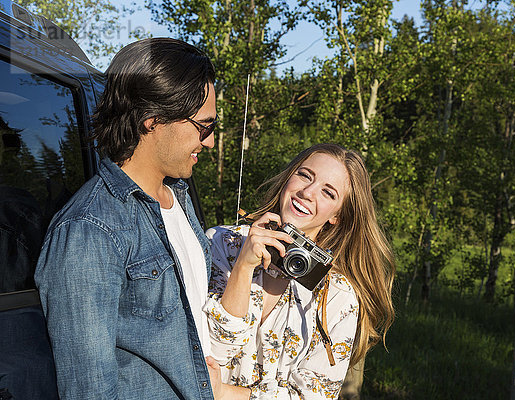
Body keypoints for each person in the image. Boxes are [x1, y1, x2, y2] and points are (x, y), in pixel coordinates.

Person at [35, 38, 218, 399]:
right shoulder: (89, 231)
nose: (209, 142)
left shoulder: (178, 198)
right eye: (204, 127)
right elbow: (90, 390)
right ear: (154, 120)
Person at [204, 143, 396, 399]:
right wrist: (243, 267)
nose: (307, 192)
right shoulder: (223, 242)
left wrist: (223, 393)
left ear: (337, 216)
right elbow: (212, 353)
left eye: (328, 193)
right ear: (288, 178)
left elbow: (313, 396)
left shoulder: (338, 295)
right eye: (305, 175)